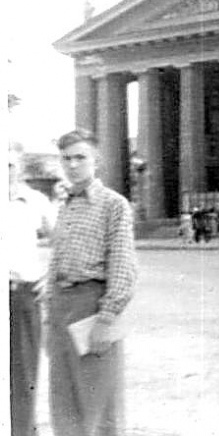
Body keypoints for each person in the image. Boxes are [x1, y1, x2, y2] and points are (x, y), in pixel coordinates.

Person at [47, 129, 138, 436]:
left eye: (80, 157)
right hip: (60, 308)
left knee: (98, 405)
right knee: (64, 403)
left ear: (96, 161)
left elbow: (123, 266)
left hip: (92, 306)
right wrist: (49, 314)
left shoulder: (114, 204)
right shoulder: (65, 205)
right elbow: (56, 261)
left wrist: (107, 318)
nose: (72, 165)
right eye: (66, 159)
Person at [7, 142, 56, 436]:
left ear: (20, 167)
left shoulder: (35, 201)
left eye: (9, 165)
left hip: (22, 295)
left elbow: (63, 240)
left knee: (23, 374)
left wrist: (49, 277)